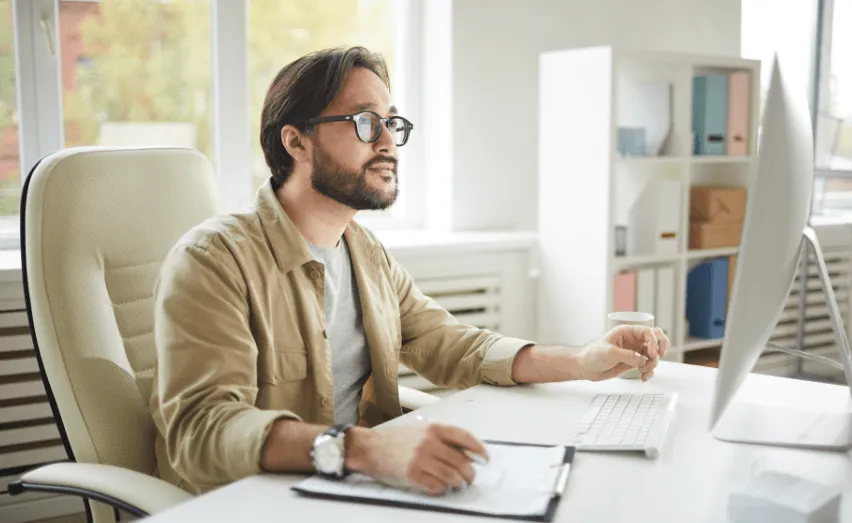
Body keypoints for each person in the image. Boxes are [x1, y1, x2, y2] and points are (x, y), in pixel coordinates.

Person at [149, 45, 670, 497]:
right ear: (296, 142)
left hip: (350, 487)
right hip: (253, 500)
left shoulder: (365, 253)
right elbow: (201, 431)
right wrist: (368, 451)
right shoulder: (214, 260)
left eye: (391, 123)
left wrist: (582, 359)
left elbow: (455, 345)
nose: (387, 143)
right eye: (364, 122)